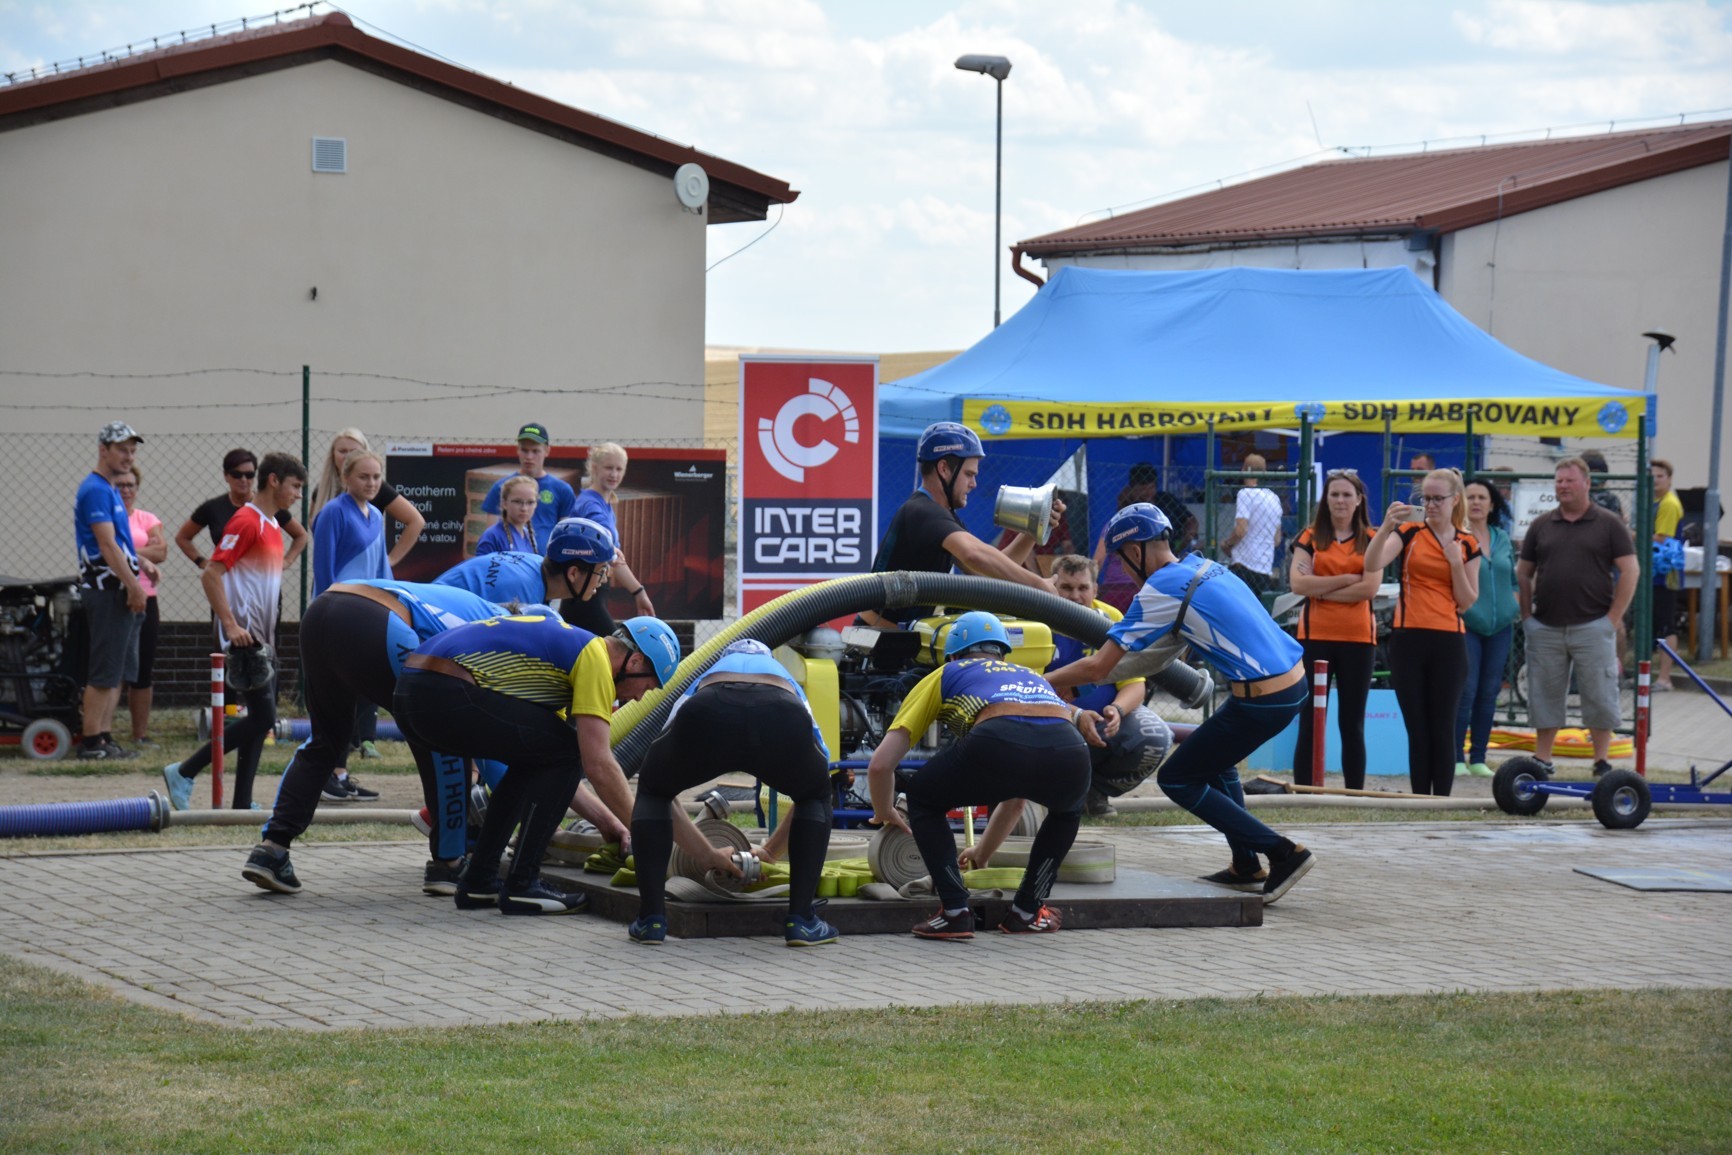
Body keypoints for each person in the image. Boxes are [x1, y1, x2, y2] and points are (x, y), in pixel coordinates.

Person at [1048, 503, 1317, 903]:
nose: (1124, 571)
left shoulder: (1160, 588)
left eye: (1121, 560)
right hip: (1292, 683)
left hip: (1263, 699)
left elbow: (1100, 664)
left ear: (1135, 551)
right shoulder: (1204, 568)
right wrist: (1084, 685)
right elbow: (1159, 655)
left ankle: (1283, 853)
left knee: (1178, 779)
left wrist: (1042, 682)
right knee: (1217, 762)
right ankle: (1246, 864)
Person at [395, 610, 738, 915]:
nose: (638, 698)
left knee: (539, 757)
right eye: (647, 687)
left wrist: (609, 823)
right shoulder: (595, 658)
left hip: (411, 691)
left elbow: (560, 770)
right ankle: (522, 884)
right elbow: (598, 765)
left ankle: (479, 881)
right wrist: (650, 836)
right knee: (566, 750)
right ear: (634, 662)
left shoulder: (568, 659)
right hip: (442, 689)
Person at [236, 576, 519, 895]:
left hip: (322, 612)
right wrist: (528, 810)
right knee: (444, 737)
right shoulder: (505, 635)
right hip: (376, 620)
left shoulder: (479, 610)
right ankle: (449, 864)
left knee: (326, 739)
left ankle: (271, 851)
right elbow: (491, 747)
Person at [868, 612, 1094, 939]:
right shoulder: (1030, 675)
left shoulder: (948, 672)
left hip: (997, 739)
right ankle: (1028, 911)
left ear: (953, 655)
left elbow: (880, 764)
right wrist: (982, 852)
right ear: (1002, 654)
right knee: (1065, 812)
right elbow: (1017, 798)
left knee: (923, 799)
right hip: (1071, 750)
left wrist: (883, 810)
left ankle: (955, 911)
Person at [627, 638, 839, 948]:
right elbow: (820, 778)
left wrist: (706, 854)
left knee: (654, 790)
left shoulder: (707, 675)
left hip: (710, 708)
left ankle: (651, 921)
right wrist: (770, 852)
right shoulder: (785, 678)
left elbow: (668, 737)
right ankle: (802, 921)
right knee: (815, 795)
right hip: (781, 711)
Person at [162, 453, 307, 810]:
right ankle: (184, 770)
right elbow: (211, 574)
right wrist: (230, 624)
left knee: (259, 720)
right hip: (245, 638)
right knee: (264, 718)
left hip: (264, 637)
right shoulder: (246, 521)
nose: (298, 495)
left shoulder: (271, 525)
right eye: (295, 486)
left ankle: (242, 801)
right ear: (274, 481)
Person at [864, 421, 1057, 628]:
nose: (974, 484)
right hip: (876, 638)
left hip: (897, 635)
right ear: (944, 469)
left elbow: (991, 573)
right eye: (969, 474)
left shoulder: (942, 517)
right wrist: (1038, 584)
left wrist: (1033, 529)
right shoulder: (922, 511)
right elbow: (973, 554)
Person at [1517, 456, 1639, 778]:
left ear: (1587, 483)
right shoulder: (1541, 525)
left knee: (1599, 695)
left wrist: (1612, 619)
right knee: (1544, 695)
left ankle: (1601, 762)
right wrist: (1527, 616)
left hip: (1593, 626)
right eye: (1559, 481)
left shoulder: (1609, 523)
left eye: (1569, 480)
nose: (1563, 486)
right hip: (1545, 627)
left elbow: (1630, 571)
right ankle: (1543, 760)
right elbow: (1523, 572)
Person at [1364, 469, 1480, 796]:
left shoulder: (1467, 542)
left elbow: (1468, 601)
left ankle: (1440, 799)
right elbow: (1372, 564)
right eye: (1426, 498)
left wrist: (1455, 563)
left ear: (1454, 500)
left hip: (1448, 640)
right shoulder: (1411, 532)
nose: (1430, 505)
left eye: (1437, 499)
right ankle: (1419, 798)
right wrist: (1385, 527)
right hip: (1409, 638)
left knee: (1443, 727)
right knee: (1417, 728)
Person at [1046, 554, 1173, 816]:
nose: (1075, 596)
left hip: (1104, 725)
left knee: (1156, 736)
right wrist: (1076, 715)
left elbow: (1135, 684)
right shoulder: (1037, 621)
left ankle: (1094, 792)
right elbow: (1025, 691)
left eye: (1083, 588)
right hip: (1052, 722)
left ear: (1095, 589)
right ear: (1052, 587)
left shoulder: (1111, 618)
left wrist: (1117, 709)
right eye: (1066, 588)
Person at [1288, 469, 1379, 790]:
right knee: (1310, 720)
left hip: (1358, 638)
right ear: (1325, 500)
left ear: (1359, 500)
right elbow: (1298, 584)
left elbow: (1369, 589)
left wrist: (1320, 586)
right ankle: (1305, 790)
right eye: (1334, 494)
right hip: (1315, 637)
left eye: (1346, 495)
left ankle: (1354, 792)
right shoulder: (1310, 536)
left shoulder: (1372, 538)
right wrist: (1347, 579)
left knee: (1352, 722)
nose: (1340, 500)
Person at [311, 447, 392, 798]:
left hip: (364, 615)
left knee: (354, 696)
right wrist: (328, 613)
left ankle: (340, 773)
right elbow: (324, 570)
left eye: (376, 476)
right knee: (336, 698)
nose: (371, 483)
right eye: (363, 476)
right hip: (336, 616)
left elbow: (382, 570)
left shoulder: (377, 515)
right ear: (345, 478)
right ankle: (325, 773)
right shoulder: (332, 512)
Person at [74, 422, 149, 760]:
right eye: (122, 450)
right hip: (107, 590)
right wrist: (133, 586)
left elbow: (120, 543)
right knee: (104, 670)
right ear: (103, 450)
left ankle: (104, 737)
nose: (128, 456)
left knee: (117, 670)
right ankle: (91, 741)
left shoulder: (108, 488)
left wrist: (142, 564)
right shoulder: (95, 490)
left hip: (118, 589)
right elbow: (105, 545)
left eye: (132, 451)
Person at [1454, 478, 1518, 779]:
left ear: (1492, 504)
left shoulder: (1501, 537)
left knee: (1490, 691)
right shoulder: (1456, 537)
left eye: (1482, 497)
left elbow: (1513, 579)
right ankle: (1456, 757)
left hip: (1501, 627)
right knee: (1465, 690)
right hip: (1467, 624)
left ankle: (1479, 758)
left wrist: (1513, 604)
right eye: (1471, 497)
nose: (1477, 502)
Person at [563, 442, 655, 636]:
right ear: (594, 468)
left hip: (591, 592)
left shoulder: (603, 504)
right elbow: (611, 555)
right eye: (609, 468)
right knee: (617, 648)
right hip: (585, 596)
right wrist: (639, 592)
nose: (614, 474)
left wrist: (638, 592)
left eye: (619, 469)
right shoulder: (591, 506)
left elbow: (613, 559)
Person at [174, 448, 310, 575]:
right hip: (229, 581)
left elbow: (301, 535)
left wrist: (286, 561)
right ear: (226, 475)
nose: (243, 480)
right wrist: (202, 562)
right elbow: (183, 537)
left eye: (249, 475)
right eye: (237, 474)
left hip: (263, 583)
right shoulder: (214, 508)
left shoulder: (270, 507)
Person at [308, 428, 426, 569]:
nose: (347, 456)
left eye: (354, 451)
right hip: (332, 569)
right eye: (342, 451)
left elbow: (416, 520)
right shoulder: (323, 489)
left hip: (364, 573)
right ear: (333, 454)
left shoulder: (374, 489)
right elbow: (313, 522)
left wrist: (390, 560)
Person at [116, 467, 168, 748]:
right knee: (114, 669)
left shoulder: (147, 519)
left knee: (143, 668)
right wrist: (141, 554)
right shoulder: (107, 518)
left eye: (131, 485)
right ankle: (103, 732)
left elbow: (162, 551)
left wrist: (124, 553)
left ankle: (139, 734)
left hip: (147, 598)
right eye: (121, 485)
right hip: (116, 597)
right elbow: (103, 549)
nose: (126, 490)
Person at [479, 422, 577, 546]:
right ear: (517, 450)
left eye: (535, 451)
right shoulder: (501, 487)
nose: (529, 457)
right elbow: (491, 537)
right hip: (510, 556)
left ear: (547, 451)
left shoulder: (562, 489)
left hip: (547, 557)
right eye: (524, 450)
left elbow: (566, 535)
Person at [1220, 452, 1282, 595]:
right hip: (1264, 567)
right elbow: (1277, 539)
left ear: (1245, 470)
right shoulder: (1274, 498)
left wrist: (1227, 544)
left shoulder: (1245, 493)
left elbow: (1241, 531)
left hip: (1243, 566)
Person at [1649, 459, 1685, 690]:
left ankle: (1665, 678)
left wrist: (1630, 533)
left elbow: (1662, 538)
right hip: (1651, 571)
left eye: (1660, 476)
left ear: (1669, 479)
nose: (1655, 480)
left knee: (1665, 624)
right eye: (1651, 476)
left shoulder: (1669, 504)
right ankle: (1645, 677)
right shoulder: (1652, 501)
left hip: (1665, 572)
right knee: (1650, 624)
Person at [475, 475, 540, 556]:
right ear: (504, 503)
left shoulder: (529, 536)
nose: (524, 508)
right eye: (517, 501)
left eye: (530, 502)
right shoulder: (492, 536)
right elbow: (482, 563)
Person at [1580, 449, 1625, 521]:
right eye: (1591, 473)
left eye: (1597, 473)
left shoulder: (1610, 499)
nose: (1594, 480)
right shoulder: (1577, 498)